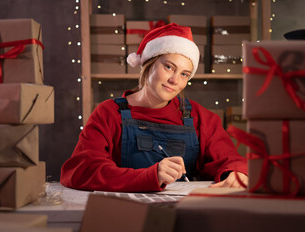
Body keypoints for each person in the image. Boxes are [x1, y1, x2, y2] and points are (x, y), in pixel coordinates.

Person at [60, 23, 248, 192]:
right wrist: (150, 176)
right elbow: (81, 170)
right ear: (149, 64)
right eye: (168, 67)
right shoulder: (109, 113)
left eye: (184, 74)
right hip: (124, 214)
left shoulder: (200, 117)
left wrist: (236, 173)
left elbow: (230, 159)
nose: (175, 80)